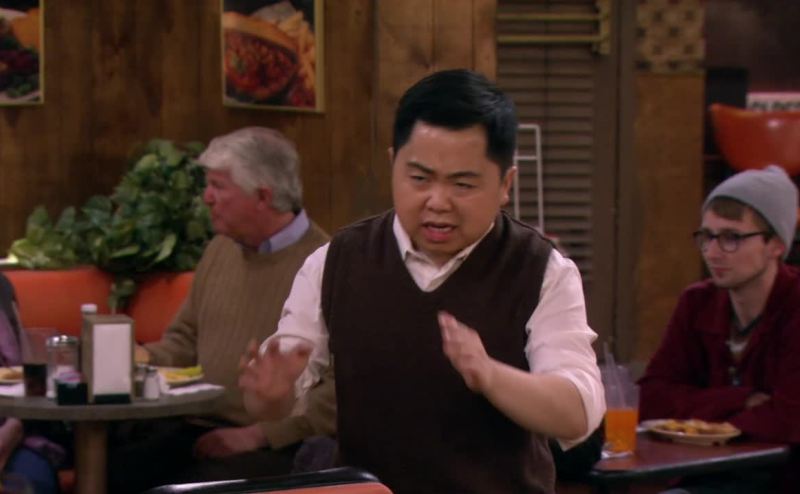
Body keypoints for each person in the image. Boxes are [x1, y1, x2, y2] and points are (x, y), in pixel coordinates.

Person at [239, 69, 605, 494]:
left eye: (462, 184)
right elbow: (275, 401)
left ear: (505, 184)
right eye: (419, 179)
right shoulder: (336, 261)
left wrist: (490, 376)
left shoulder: (542, 270)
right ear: (392, 164)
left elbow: (578, 414)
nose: (437, 202)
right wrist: (270, 394)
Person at [108, 127, 335, 493]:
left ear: (263, 196)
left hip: (276, 443)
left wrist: (259, 434)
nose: (207, 197)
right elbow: (184, 341)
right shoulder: (220, 249)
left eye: (218, 186)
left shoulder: (327, 265)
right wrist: (136, 357)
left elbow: (340, 390)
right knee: (116, 469)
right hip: (194, 422)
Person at [638, 165, 800, 493]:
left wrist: (698, 419)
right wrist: (742, 399)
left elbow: (789, 418)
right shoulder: (697, 302)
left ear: (775, 245)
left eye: (731, 238)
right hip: (703, 474)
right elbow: (652, 398)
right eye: (707, 237)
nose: (712, 252)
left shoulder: (794, 306)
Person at [0, 273, 65, 494]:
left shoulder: (1, 287)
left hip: (14, 433)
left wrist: (14, 428)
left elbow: (23, 378)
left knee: (33, 482)